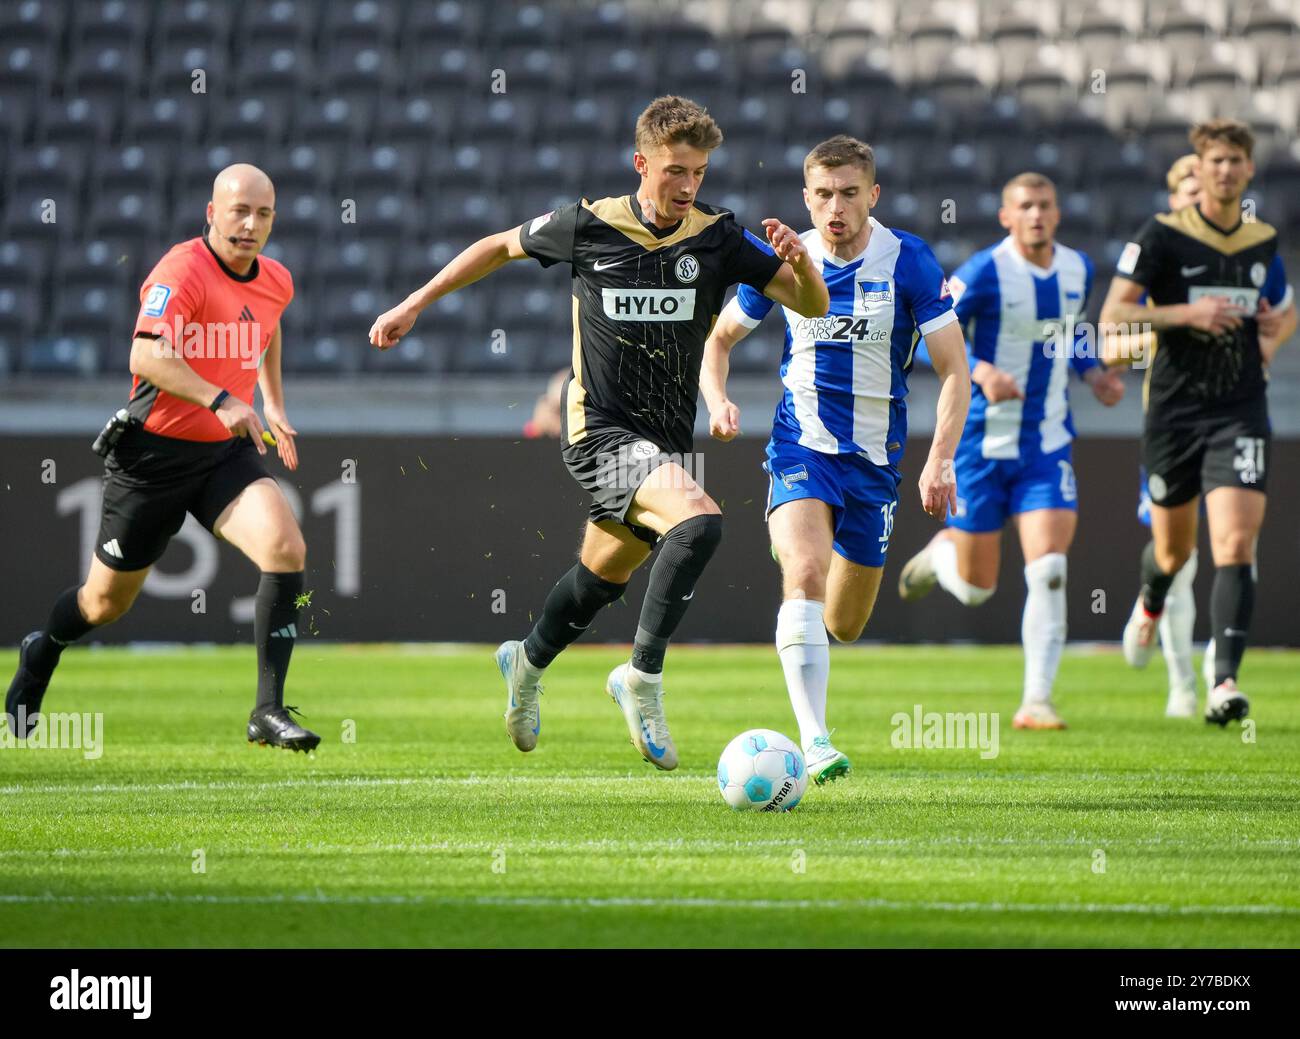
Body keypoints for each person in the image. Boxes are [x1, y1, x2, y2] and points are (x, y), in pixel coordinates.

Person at [368, 96, 828, 769]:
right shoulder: (588, 225)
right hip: (598, 430)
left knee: (598, 577)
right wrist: (413, 303)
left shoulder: (719, 237)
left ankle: (525, 663)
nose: (687, 186)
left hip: (665, 442)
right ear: (641, 163)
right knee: (700, 522)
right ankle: (641, 676)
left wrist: (802, 262)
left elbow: (810, 303)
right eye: (675, 170)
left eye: (699, 172)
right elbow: (498, 246)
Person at [5, 164, 318, 751]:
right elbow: (146, 357)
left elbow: (269, 327)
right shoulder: (182, 271)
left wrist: (272, 403)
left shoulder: (276, 279)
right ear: (211, 213)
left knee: (286, 548)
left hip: (222, 455)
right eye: (239, 211)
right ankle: (43, 647)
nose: (251, 225)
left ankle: (267, 711)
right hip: (151, 457)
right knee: (103, 604)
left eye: (264, 214)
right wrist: (222, 396)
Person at [699, 135, 970, 784]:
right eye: (823, 194)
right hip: (802, 445)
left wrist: (940, 461)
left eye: (849, 193)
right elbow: (718, 339)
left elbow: (954, 369)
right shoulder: (783, 260)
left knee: (844, 623)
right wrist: (717, 399)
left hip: (875, 465)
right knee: (806, 570)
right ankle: (815, 741)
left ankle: (810, 566)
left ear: (872, 195)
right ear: (806, 198)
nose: (835, 207)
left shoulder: (909, 262)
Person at [898, 173, 1125, 730]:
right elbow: (927, 341)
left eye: (1045, 205)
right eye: (1025, 206)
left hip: (1046, 445)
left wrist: (1093, 372)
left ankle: (1037, 701)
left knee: (1048, 568)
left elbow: (1066, 334)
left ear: (1057, 212)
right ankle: (943, 555)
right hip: (980, 446)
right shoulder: (981, 272)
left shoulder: (1078, 269)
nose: (1037, 215)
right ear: (1006, 216)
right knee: (977, 592)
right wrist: (980, 370)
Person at [1100, 119, 1295, 726]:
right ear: (1200, 166)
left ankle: (1223, 680)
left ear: (1249, 170)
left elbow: (1283, 310)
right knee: (1174, 551)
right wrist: (1188, 313)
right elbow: (1112, 319)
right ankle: (1151, 600)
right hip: (1173, 415)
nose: (1227, 170)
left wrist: (1268, 340)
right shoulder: (1160, 236)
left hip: (1239, 411)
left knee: (1236, 545)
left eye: (1237, 160)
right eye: (1217, 160)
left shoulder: (1263, 241)